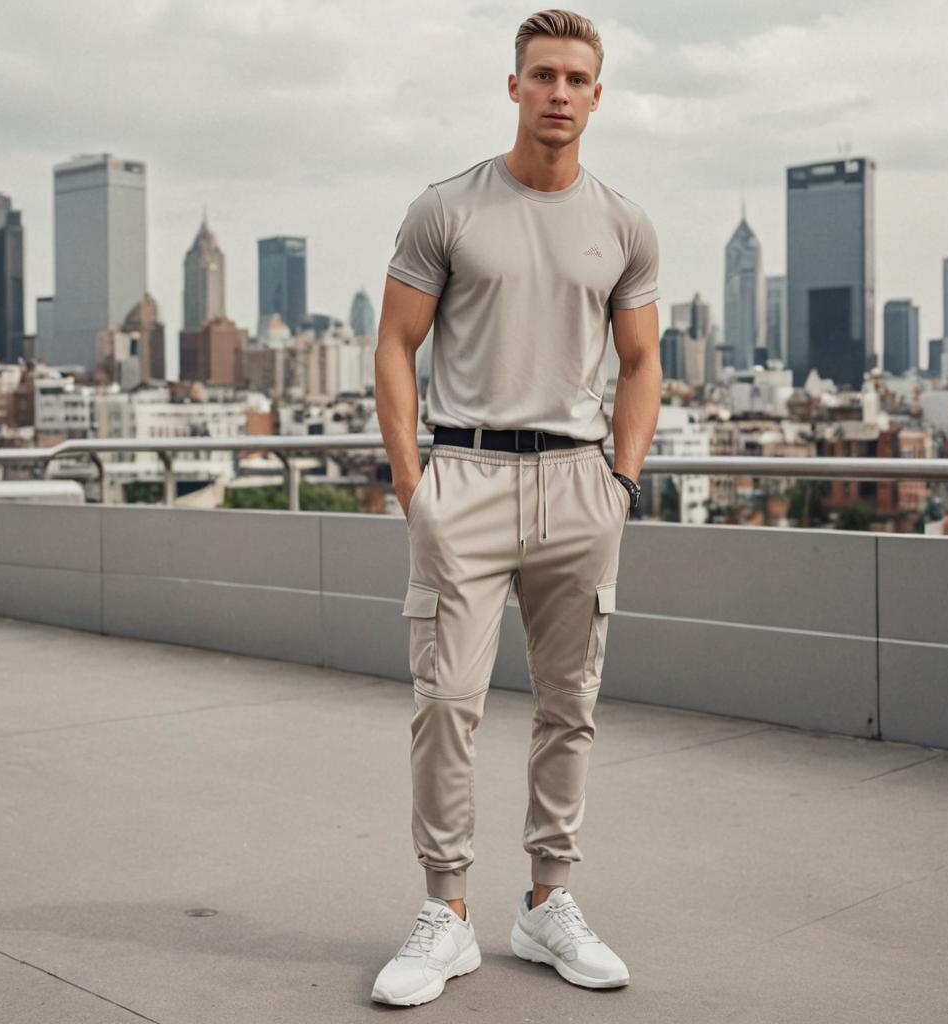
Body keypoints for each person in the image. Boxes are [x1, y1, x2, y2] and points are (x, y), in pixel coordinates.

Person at [371, 7, 661, 1007]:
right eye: (542, 75)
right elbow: (394, 347)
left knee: (566, 708)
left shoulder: (623, 221)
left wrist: (619, 482)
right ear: (513, 87)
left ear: (595, 93)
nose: (558, 93)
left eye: (576, 78)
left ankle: (547, 901)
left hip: (580, 486)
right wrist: (416, 488)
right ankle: (444, 912)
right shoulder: (447, 207)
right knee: (446, 703)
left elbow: (639, 361)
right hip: (466, 479)